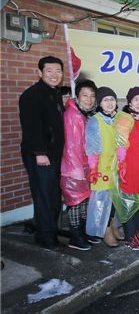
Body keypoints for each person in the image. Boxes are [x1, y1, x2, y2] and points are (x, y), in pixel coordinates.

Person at [19, 56, 65, 249]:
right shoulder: (32, 95)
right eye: (49, 71)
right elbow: (31, 127)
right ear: (40, 73)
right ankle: (46, 237)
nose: (54, 75)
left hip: (53, 154)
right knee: (45, 195)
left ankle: (48, 230)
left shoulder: (54, 93)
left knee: (53, 194)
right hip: (41, 154)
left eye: (58, 71)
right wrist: (40, 153)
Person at [60, 80, 97, 250]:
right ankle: (75, 237)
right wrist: (80, 172)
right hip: (73, 168)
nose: (89, 99)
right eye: (85, 95)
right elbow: (72, 146)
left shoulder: (82, 114)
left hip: (81, 167)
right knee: (75, 202)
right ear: (77, 96)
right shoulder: (73, 115)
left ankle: (82, 233)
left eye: (92, 96)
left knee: (83, 201)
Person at [114, 87, 139, 250]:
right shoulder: (125, 119)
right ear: (129, 102)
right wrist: (121, 164)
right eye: (136, 100)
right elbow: (120, 144)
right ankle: (130, 236)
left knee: (138, 202)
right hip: (130, 168)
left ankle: (136, 231)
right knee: (129, 202)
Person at [85, 87, 122, 247]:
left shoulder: (119, 119)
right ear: (100, 103)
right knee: (101, 201)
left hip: (118, 166)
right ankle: (104, 230)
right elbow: (92, 148)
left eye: (112, 99)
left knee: (115, 199)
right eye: (105, 100)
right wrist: (93, 169)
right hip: (102, 167)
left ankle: (113, 225)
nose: (109, 103)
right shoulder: (95, 121)